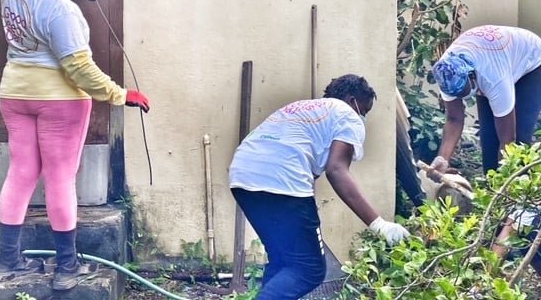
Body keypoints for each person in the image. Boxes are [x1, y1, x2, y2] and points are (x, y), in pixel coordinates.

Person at [0, 0, 150, 290]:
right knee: (60, 177)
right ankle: (67, 268)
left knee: (20, 173)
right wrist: (121, 95)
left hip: (14, 93)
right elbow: (78, 68)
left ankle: (7, 261)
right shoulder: (63, 11)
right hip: (58, 100)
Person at [228, 74, 409, 300]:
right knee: (308, 270)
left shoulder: (302, 109)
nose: (363, 117)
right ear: (352, 101)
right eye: (364, 110)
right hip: (281, 180)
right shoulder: (347, 114)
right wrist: (379, 224)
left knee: (283, 260)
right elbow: (336, 170)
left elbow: (313, 169)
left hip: (243, 176)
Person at [430, 25, 541, 175]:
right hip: (493, 56)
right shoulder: (446, 73)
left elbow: (508, 140)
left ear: (471, 75)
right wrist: (442, 159)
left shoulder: (493, 78)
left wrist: (503, 180)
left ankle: (515, 186)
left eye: (464, 92)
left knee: (518, 141)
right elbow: (454, 119)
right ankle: (489, 184)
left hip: (531, 60)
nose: (461, 97)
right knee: (488, 139)